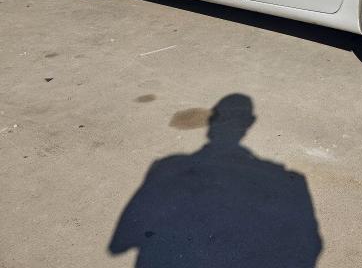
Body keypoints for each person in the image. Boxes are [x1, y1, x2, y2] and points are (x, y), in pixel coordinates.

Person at [109, 94, 322, 267]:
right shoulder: (290, 182)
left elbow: (119, 244)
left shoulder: (166, 167)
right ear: (249, 123)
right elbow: (310, 247)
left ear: (210, 122)